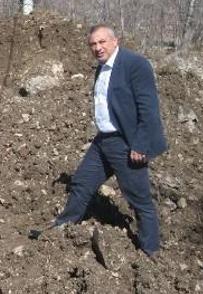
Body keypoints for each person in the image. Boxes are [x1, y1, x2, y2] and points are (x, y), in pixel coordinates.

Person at [32, 25, 167, 257]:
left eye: (102, 42)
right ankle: (63, 225)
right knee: (82, 182)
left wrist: (140, 145)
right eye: (93, 44)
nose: (97, 48)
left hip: (126, 143)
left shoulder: (135, 65)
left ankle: (150, 250)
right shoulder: (102, 69)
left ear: (115, 41)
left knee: (139, 199)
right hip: (103, 141)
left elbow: (149, 109)